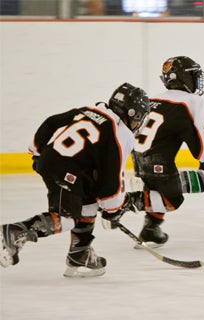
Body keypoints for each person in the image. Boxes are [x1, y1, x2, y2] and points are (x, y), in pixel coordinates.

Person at [0, 82, 150, 277]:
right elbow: (111, 183)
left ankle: (79, 252)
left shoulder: (90, 110)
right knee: (66, 219)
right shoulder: (121, 134)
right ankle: (15, 231)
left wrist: (36, 151)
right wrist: (114, 209)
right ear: (133, 114)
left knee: (88, 199)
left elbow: (51, 122)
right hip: (65, 169)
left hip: (57, 161)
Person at [114, 56, 204, 248]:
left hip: (138, 159)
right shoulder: (190, 101)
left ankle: (150, 229)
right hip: (156, 163)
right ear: (182, 78)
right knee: (175, 197)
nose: (197, 81)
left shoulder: (153, 98)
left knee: (159, 187)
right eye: (193, 76)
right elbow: (203, 143)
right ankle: (127, 201)